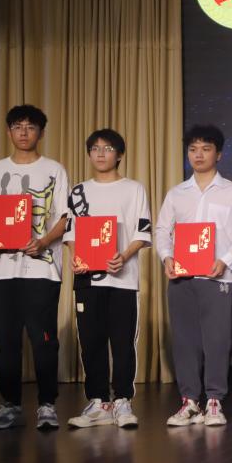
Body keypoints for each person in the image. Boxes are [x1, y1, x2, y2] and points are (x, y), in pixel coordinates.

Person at [155, 124, 232, 427]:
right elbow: (162, 229)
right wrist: (166, 257)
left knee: (216, 341)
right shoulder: (176, 193)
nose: (198, 155)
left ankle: (214, 400)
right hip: (181, 278)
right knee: (184, 341)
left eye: (206, 149)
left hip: (217, 278)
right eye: (193, 149)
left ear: (219, 154)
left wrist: (226, 260)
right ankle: (189, 401)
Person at [0, 105, 70, 431]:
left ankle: (46, 404)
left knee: (43, 340)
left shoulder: (54, 170)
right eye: (18, 127)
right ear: (9, 131)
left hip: (42, 271)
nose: (24, 132)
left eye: (30, 127)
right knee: (5, 342)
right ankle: (10, 404)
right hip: (3, 272)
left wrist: (43, 242)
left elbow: (65, 218)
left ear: (40, 132)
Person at [63, 129, 152, 429]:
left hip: (122, 279)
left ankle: (123, 400)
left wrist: (124, 256)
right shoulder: (79, 191)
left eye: (108, 148)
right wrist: (76, 255)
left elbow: (143, 231)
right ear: (89, 154)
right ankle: (99, 402)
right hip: (87, 279)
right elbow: (71, 232)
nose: (101, 154)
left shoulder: (134, 189)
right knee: (91, 342)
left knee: (123, 342)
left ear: (120, 154)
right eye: (95, 148)